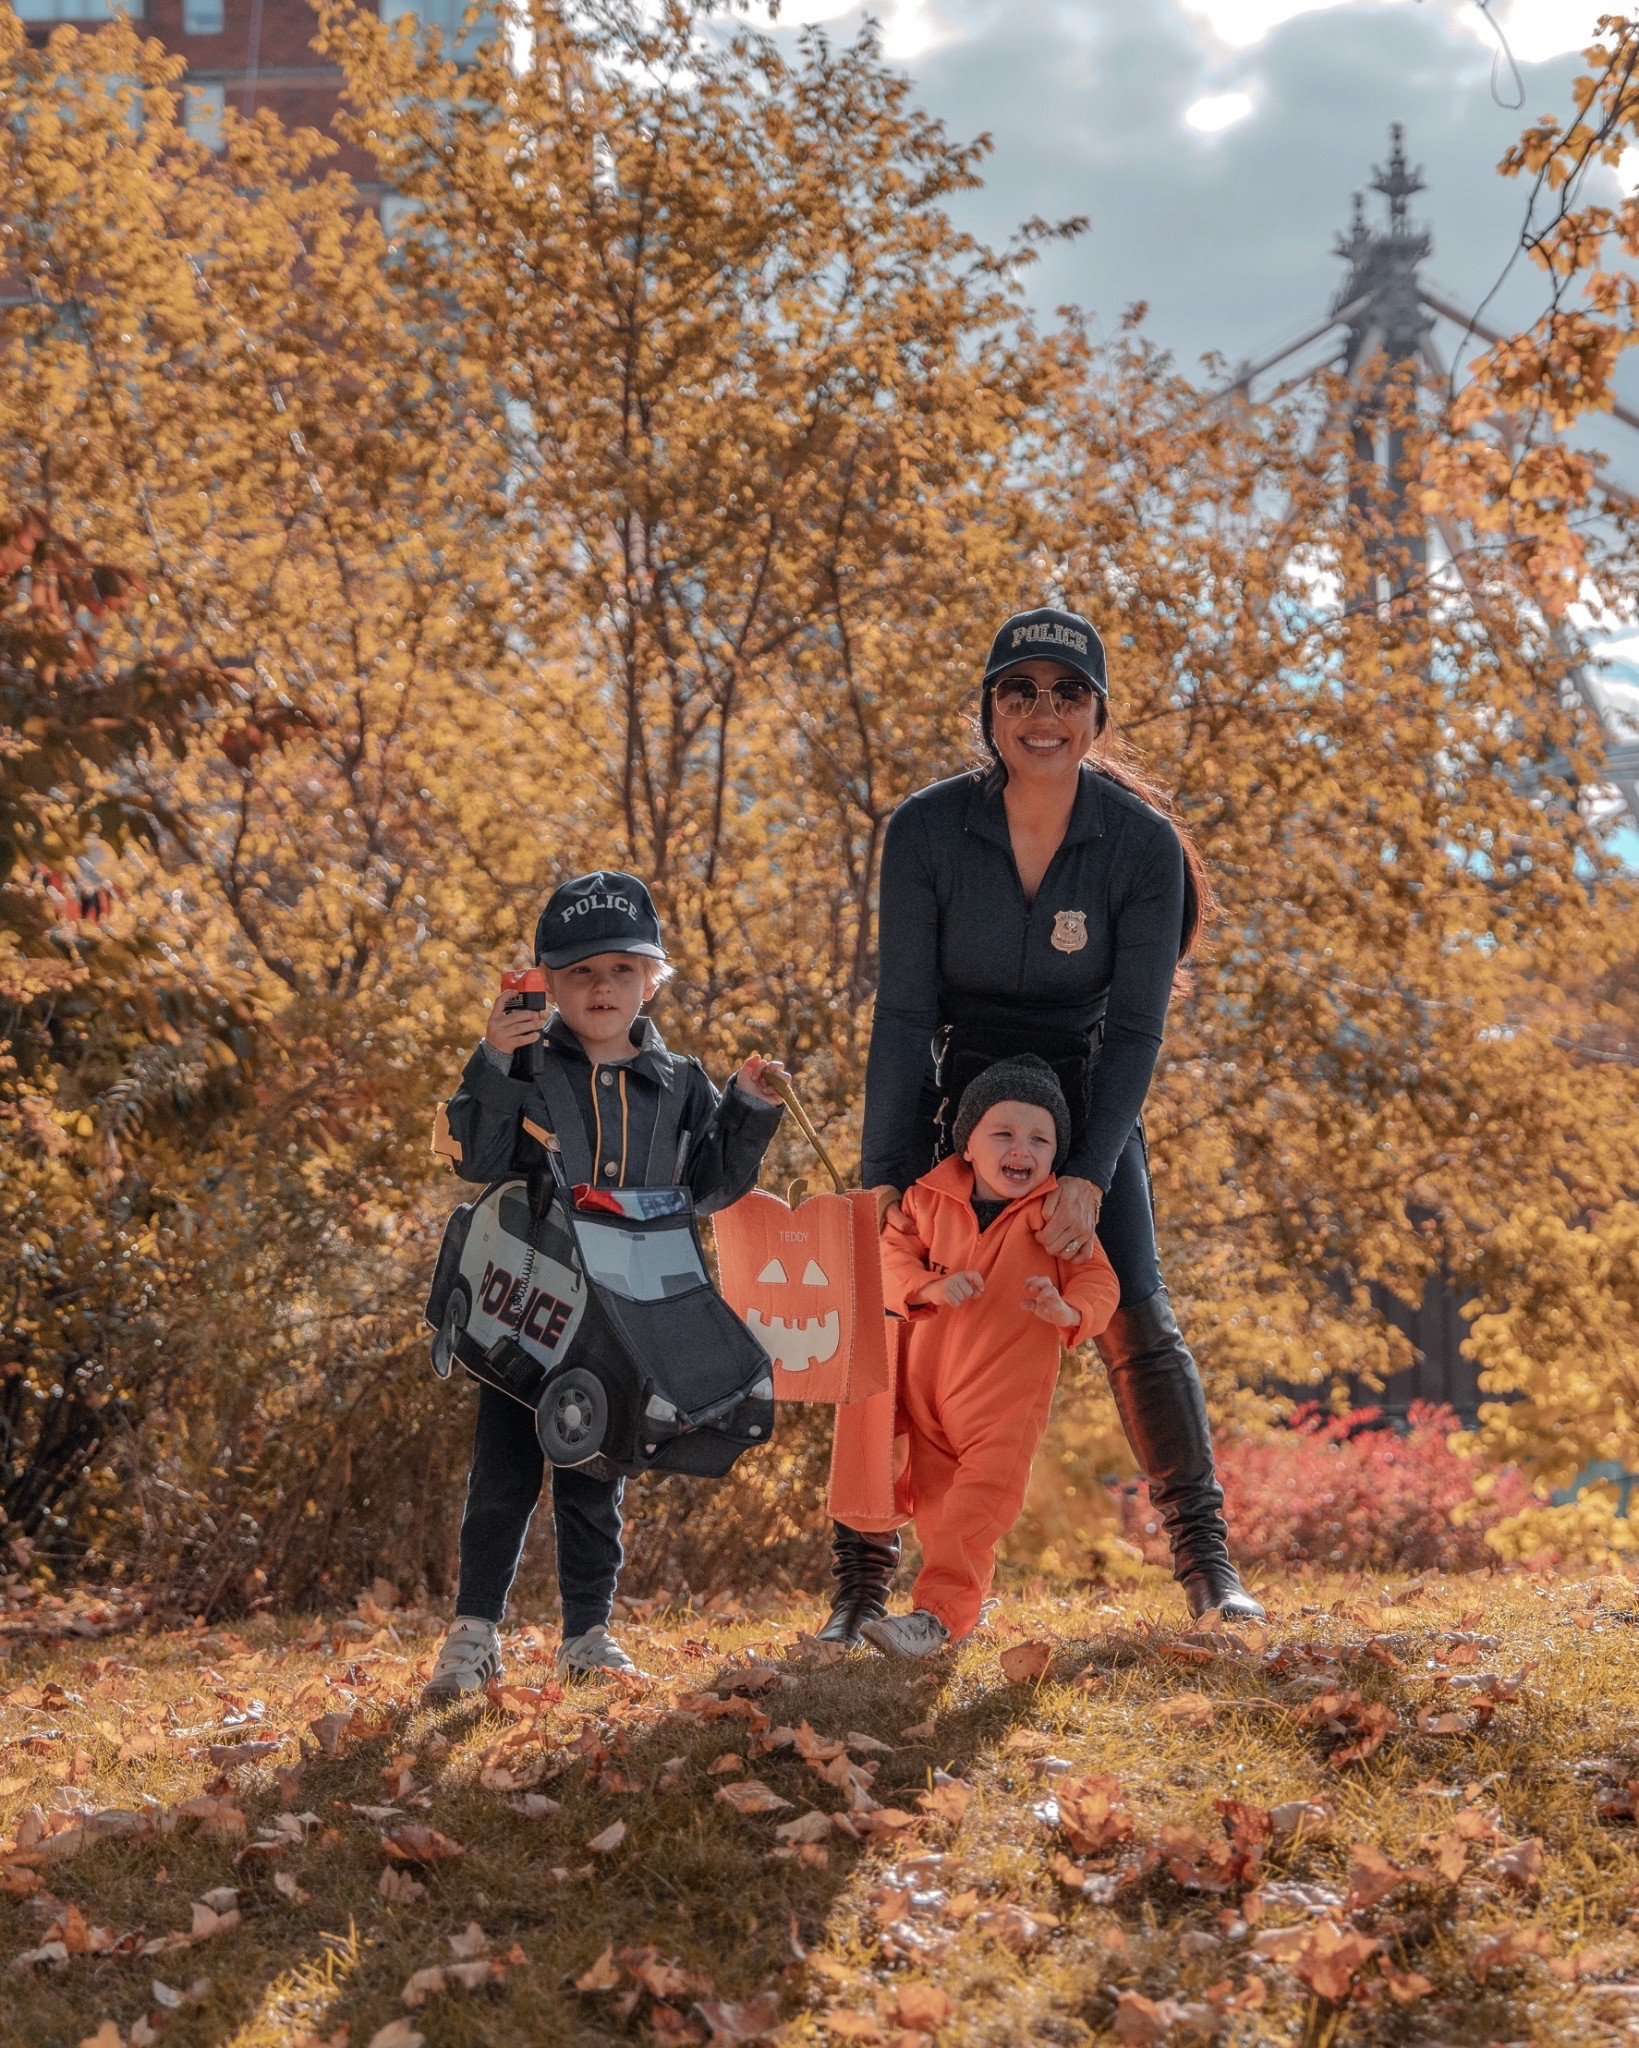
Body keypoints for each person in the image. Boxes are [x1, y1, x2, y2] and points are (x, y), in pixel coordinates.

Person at [819, 604, 1262, 1645]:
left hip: (1086, 1098)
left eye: (1067, 693)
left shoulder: (1139, 845)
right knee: (890, 1319)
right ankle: (857, 1588)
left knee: (1137, 1311)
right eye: (1019, 692)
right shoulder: (927, 829)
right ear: (990, 710)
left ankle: (1209, 1568)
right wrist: (884, 1173)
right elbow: (904, 1011)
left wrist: (1089, 1174)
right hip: (956, 1100)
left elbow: (1139, 1028)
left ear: (1096, 713)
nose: (1042, 713)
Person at [424, 870, 787, 1697]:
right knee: (503, 1472)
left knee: (595, 1473)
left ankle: (587, 1636)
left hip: (624, 1317)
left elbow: (710, 1187)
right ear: (548, 984)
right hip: (526, 1304)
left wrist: (748, 1108)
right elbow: (476, 1159)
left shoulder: (681, 1082)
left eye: (621, 969)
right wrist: (491, 1058)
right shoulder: (526, 1068)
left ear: (650, 980)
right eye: (580, 972)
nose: (600, 987)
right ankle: (473, 1634)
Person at [858, 1057, 1120, 1658]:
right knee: (937, 1512)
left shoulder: (1055, 1217)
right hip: (926, 1392)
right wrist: (926, 1286)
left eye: (1040, 1138)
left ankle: (934, 1617)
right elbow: (889, 1255)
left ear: (1057, 1153)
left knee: (974, 1512)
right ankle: (957, 1608)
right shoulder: (926, 1201)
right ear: (967, 1145)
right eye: (1003, 1133)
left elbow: (1100, 1282)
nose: (1020, 1149)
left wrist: (1068, 1310)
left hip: (1004, 1399)